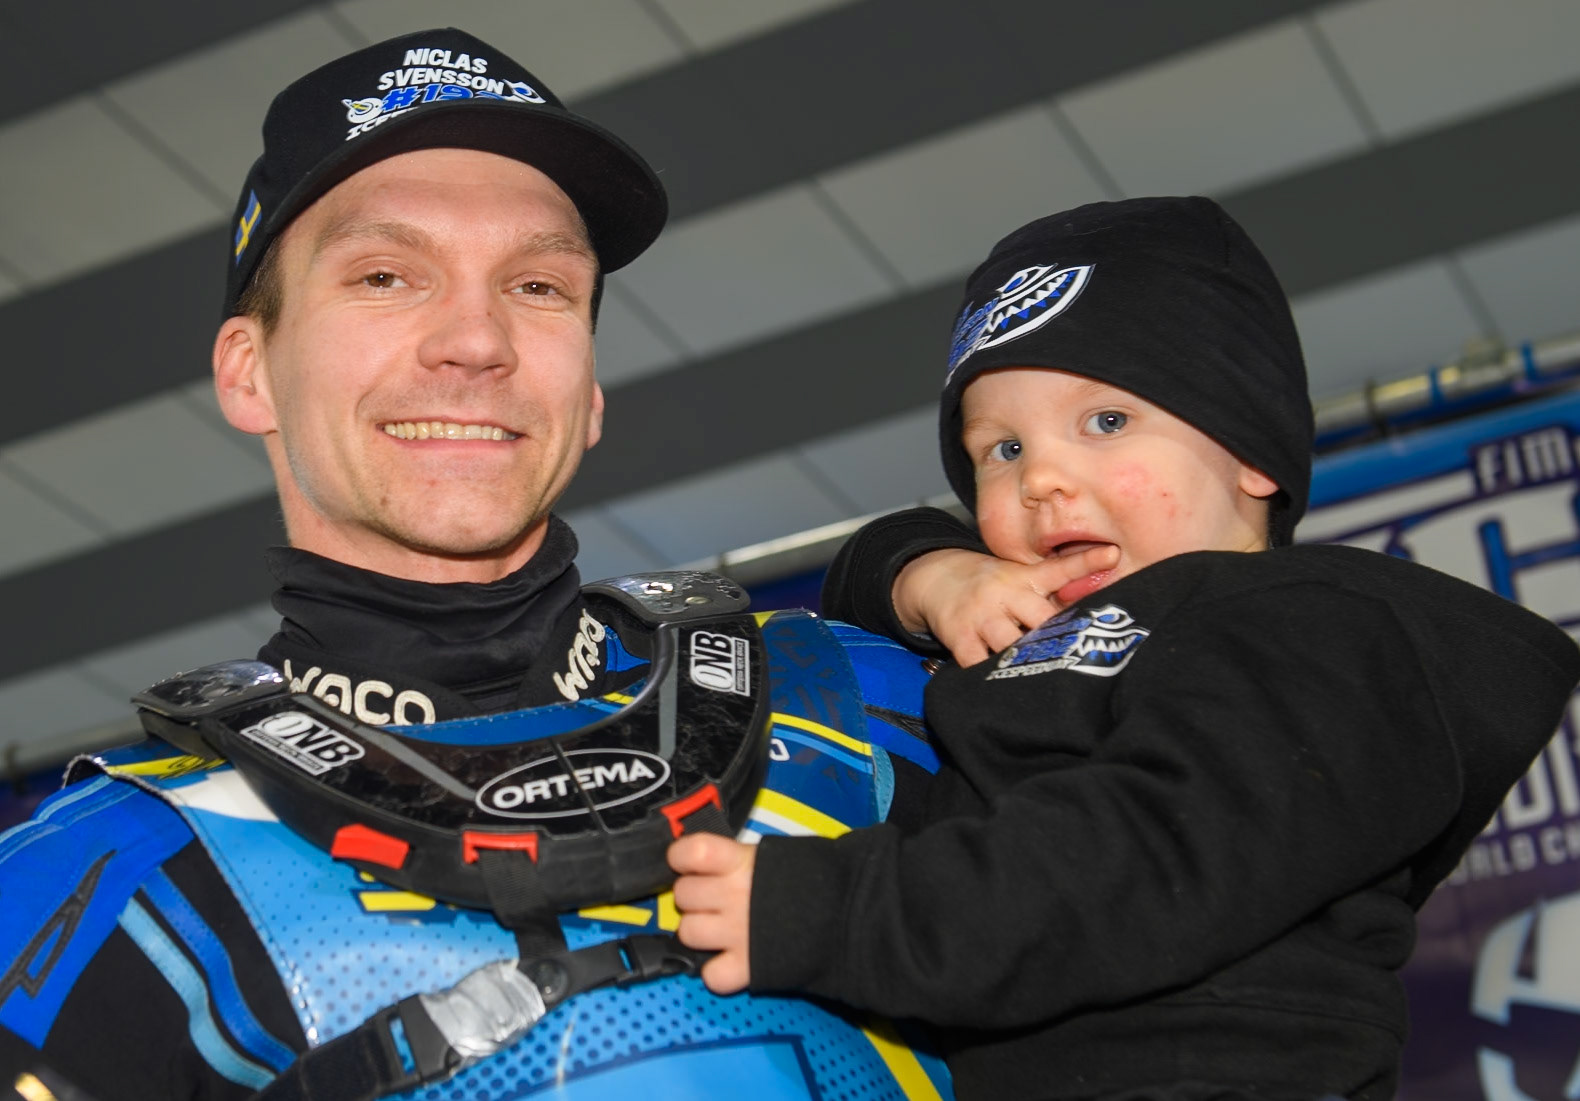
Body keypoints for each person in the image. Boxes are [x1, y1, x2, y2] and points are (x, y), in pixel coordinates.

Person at [0, 29, 955, 1101]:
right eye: (386, 275)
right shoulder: (87, 889)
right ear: (249, 374)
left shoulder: (876, 705)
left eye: (540, 288)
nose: (476, 340)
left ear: (589, 392)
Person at [667, 196, 1580, 1100]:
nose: (1042, 479)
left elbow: (1151, 854)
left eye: (1106, 422)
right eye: (1001, 448)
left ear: (1249, 452)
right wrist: (936, 576)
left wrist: (832, 914)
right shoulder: (1030, 622)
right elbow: (857, 597)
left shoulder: (1321, 625)